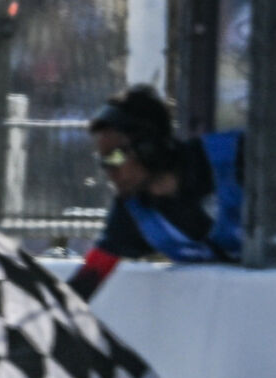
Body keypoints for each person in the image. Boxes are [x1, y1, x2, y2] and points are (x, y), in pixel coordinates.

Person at [69, 84, 243, 301]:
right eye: (102, 161)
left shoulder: (235, 157)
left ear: (148, 148)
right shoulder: (132, 210)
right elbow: (87, 282)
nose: (108, 170)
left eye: (114, 157)